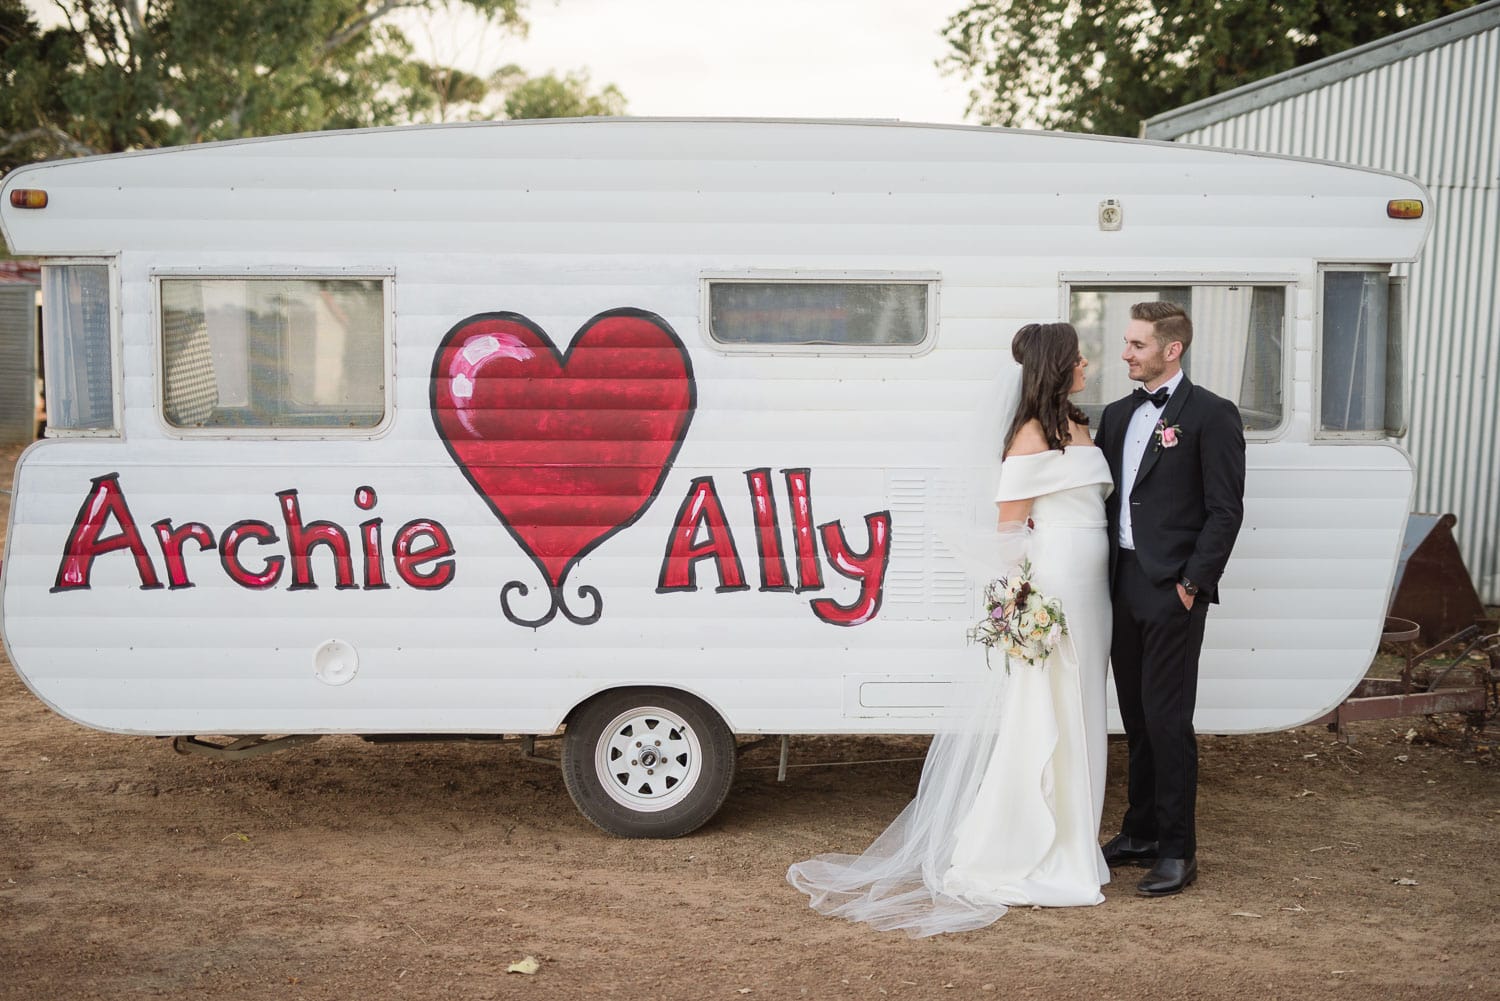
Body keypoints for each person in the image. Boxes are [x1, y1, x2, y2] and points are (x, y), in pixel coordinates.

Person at [787, 322, 1114, 937]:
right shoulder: (1028, 436)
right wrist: (1026, 605)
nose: (1089, 363)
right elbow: (1009, 529)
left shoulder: (1078, 425)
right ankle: (1029, 847)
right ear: (1057, 364)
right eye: (1079, 356)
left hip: (1095, 593)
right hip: (1057, 589)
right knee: (1051, 714)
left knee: (1085, 712)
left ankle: (1077, 840)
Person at [1094, 301, 1245, 897]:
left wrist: (1190, 585)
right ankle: (1140, 831)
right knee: (1133, 716)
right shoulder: (1115, 415)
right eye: (1127, 343)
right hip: (1119, 584)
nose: (1126, 353)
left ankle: (1179, 850)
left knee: (1168, 719)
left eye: (1136, 344)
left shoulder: (1211, 414)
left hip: (1172, 590)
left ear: (1171, 349)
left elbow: (1225, 510)